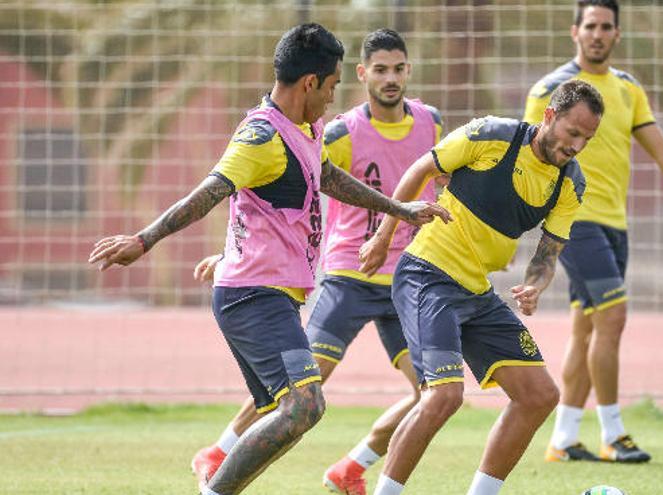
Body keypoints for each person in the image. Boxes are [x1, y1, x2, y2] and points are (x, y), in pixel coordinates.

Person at [88, 23, 449, 495]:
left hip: (272, 294)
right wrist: (146, 238)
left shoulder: (307, 129)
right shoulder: (260, 137)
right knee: (304, 406)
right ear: (310, 83)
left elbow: (329, 177)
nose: (334, 97)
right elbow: (212, 190)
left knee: (296, 408)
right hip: (251, 296)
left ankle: (217, 477)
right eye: (334, 85)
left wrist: (399, 209)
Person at [359, 80, 603, 495]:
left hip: (476, 293)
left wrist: (535, 285)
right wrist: (383, 238)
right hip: (427, 275)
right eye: (572, 132)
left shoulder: (569, 183)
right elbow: (421, 169)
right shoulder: (492, 135)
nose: (577, 145)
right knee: (443, 397)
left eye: (587, 138)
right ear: (549, 117)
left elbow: (548, 255)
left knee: (540, 395)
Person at [523, 0, 663, 464]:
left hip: (615, 223)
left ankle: (564, 439)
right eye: (589, 25)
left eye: (606, 26)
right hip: (574, 220)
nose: (597, 33)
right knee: (613, 316)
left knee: (587, 328)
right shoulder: (551, 89)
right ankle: (613, 433)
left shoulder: (628, 89)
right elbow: (530, 150)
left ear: (617, 35)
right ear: (575, 32)